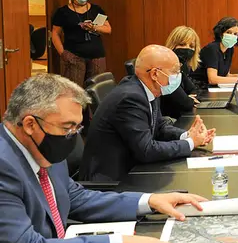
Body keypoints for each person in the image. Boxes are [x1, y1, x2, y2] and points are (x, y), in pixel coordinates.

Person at [0, 73, 208, 243]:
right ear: (30, 124)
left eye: (77, 128)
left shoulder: (41, 145)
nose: (73, 137)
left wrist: (150, 201)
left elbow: (74, 198)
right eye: (67, 128)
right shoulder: (4, 165)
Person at [80, 45, 216, 181]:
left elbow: (159, 126)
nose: (178, 76)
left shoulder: (149, 90)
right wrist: (190, 143)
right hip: (112, 179)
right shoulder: (131, 98)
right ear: (155, 74)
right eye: (175, 71)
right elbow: (146, 151)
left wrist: (186, 135)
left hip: (132, 167)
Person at [51, 0, 111, 87]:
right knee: (74, 91)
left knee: (96, 90)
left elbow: (108, 29)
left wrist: (94, 27)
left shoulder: (96, 10)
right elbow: (55, 34)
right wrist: (63, 53)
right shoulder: (63, 12)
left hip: (96, 56)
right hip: (74, 57)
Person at [190, 17, 238, 88]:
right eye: (228, 32)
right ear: (220, 33)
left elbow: (225, 75)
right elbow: (212, 79)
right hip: (198, 87)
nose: (232, 36)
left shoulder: (229, 49)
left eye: (235, 34)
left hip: (212, 87)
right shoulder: (212, 49)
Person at [161, 26, 202, 119]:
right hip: (167, 120)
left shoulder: (182, 66)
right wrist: (189, 100)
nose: (187, 49)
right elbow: (185, 103)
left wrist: (189, 99)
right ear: (173, 45)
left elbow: (194, 90)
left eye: (191, 46)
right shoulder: (165, 68)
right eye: (182, 44)